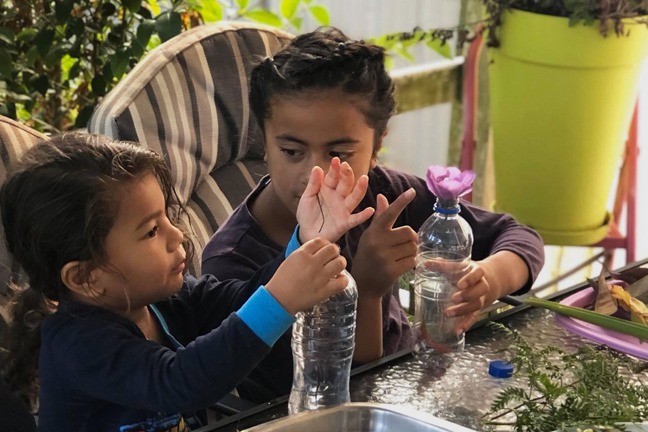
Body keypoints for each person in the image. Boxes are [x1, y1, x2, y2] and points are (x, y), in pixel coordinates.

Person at [202, 27, 545, 400]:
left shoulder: (381, 193)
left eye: (340, 154)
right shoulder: (233, 264)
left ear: (377, 145)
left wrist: (488, 279)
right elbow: (332, 393)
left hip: (412, 391)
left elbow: (518, 237)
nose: (316, 175)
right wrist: (366, 290)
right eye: (292, 151)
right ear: (264, 143)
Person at [0, 133, 372, 432]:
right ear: (86, 277)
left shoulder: (163, 299)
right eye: (150, 231)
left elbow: (244, 300)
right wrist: (279, 301)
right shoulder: (78, 346)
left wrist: (306, 241)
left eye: (166, 218)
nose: (177, 235)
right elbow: (177, 383)